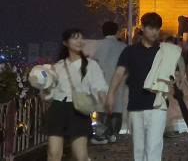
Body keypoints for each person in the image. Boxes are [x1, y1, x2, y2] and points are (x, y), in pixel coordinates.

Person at [106, 12, 168, 161]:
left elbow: (173, 74)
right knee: (138, 147)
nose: (154, 32)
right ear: (143, 28)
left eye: (157, 29)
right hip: (136, 104)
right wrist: (111, 94)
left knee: (154, 145)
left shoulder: (164, 51)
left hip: (158, 104)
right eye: (151, 28)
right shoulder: (130, 51)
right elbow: (119, 72)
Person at [44, 29, 108, 161]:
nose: (79, 41)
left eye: (81, 38)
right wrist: (43, 87)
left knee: (80, 156)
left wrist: (103, 98)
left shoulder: (90, 65)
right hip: (58, 108)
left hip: (78, 109)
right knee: (53, 153)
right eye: (75, 38)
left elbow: (100, 86)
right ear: (65, 43)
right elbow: (49, 93)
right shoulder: (58, 66)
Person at [89, 21, 126, 145]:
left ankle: (102, 133)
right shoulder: (122, 46)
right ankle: (113, 134)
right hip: (119, 82)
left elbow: (93, 63)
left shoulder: (98, 45)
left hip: (102, 81)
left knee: (101, 109)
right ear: (117, 32)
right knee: (117, 108)